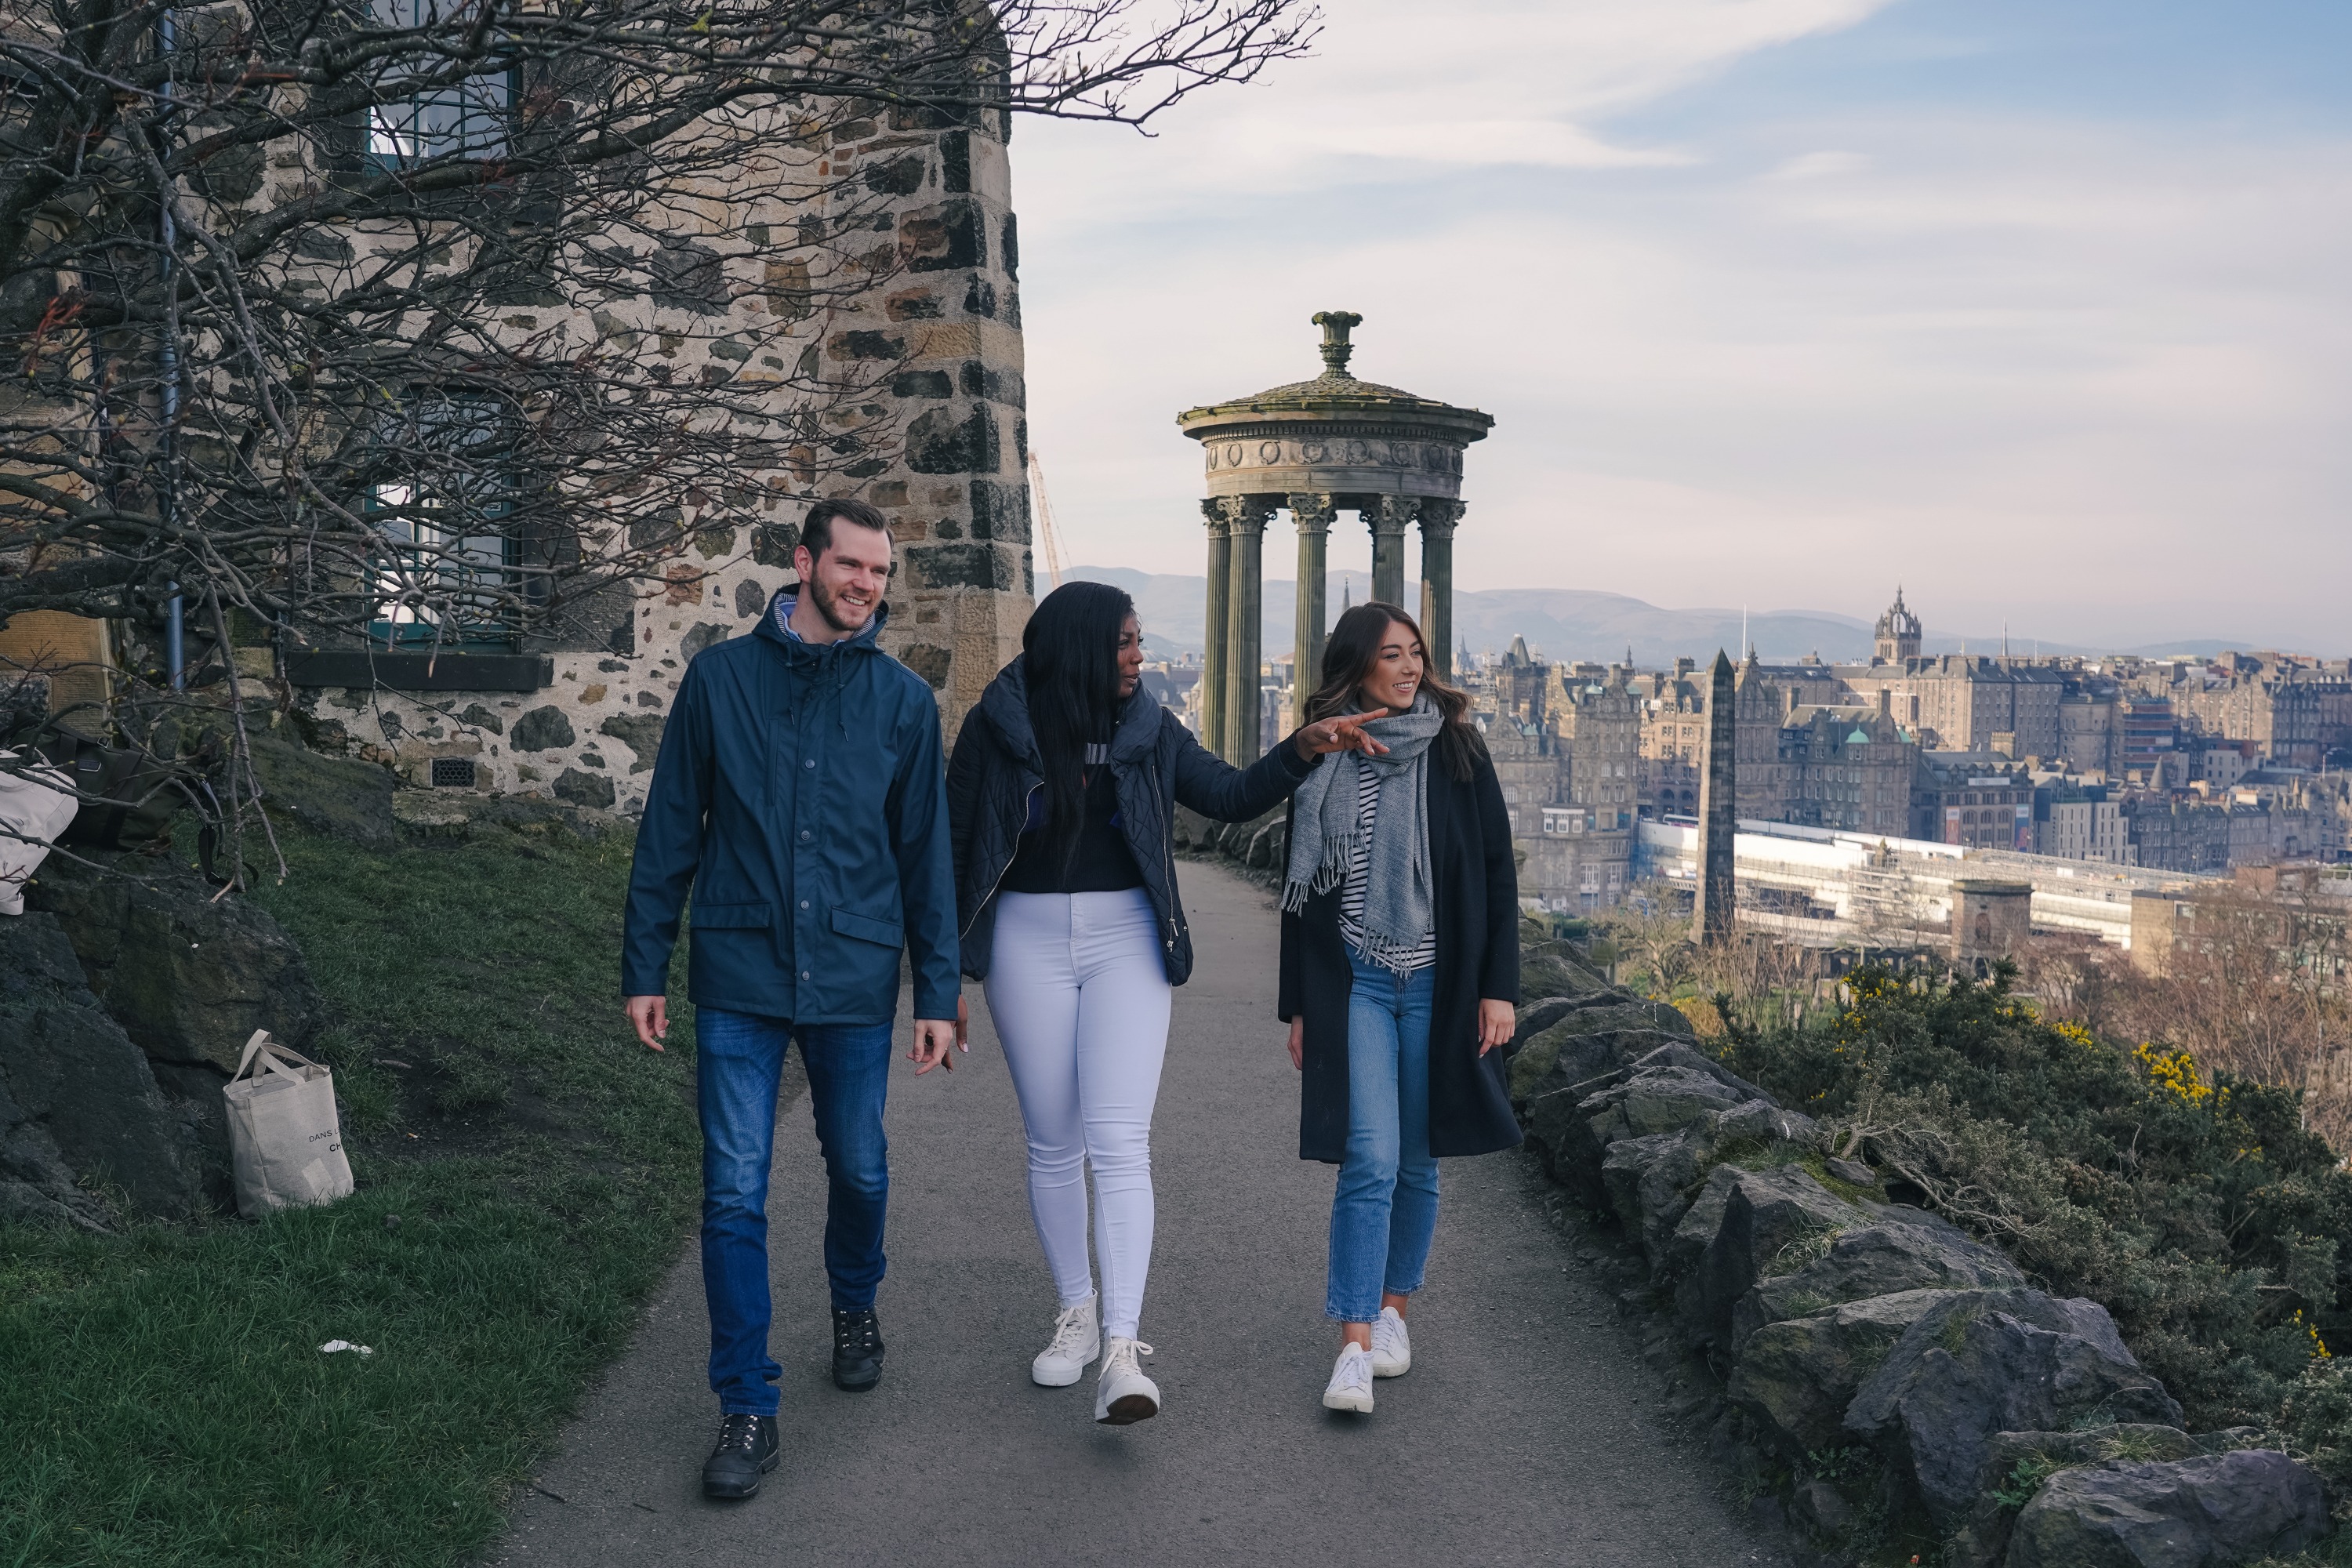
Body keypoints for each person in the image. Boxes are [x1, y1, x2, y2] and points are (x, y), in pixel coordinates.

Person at [946, 581, 1385, 1426]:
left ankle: (1120, 1349)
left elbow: (1225, 793)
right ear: (1077, 646)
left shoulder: (1148, 726)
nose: (1139, 656)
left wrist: (1303, 748)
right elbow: (953, 844)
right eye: (1124, 643)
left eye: (1140, 641)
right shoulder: (997, 726)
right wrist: (940, 978)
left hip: (1127, 940)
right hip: (1022, 942)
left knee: (1117, 1140)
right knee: (1052, 1139)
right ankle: (1074, 1310)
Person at [622, 498, 961, 1501]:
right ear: (805, 563)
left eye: (881, 572)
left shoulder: (902, 701)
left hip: (856, 976)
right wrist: (645, 964)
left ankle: (854, 1302)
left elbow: (926, 860)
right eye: (853, 565)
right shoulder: (721, 680)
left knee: (858, 1168)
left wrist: (936, 989)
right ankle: (748, 1405)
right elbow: (671, 828)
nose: (868, 584)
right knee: (733, 1190)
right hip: (739, 972)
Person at [1276, 601, 1520, 1415]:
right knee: (1370, 1156)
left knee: (1417, 1159)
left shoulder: (1455, 745)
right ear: (1358, 668)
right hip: (1358, 981)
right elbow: (1302, 890)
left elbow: (1494, 869)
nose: (1410, 667)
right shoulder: (1328, 749)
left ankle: (1392, 1315)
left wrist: (1500, 987)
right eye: (1392, 654)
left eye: (1415, 652)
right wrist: (1298, 1007)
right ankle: (1351, 1348)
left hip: (1439, 983)